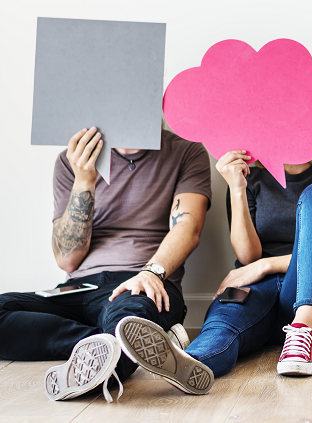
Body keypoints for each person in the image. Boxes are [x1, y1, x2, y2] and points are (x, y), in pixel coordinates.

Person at [115, 143, 312, 389]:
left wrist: (264, 265)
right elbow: (247, 255)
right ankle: (188, 361)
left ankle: (302, 331)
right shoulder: (252, 179)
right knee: (223, 324)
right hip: (257, 289)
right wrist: (237, 189)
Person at [0, 127, 212, 401]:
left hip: (142, 280)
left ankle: (113, 348)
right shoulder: (71, 159)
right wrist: (84, 180)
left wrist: (151, 272)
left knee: (128, 319)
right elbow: (67, 259)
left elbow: (188, 228)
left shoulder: (187, 150)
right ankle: (131, 345)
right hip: (80, 287)